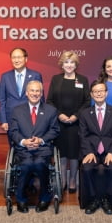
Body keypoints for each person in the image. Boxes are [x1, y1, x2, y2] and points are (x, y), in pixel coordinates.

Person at [9, 80, 59, 213]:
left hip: (42, 149)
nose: (35, 93)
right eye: (32, 90)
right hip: (23, 149)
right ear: (26, 93)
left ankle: (44, 198)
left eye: (38, 91)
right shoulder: (17, 111)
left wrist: (41, 140)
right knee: (25, 165)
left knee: (39, 164)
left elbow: (54, 130)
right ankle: (21, 199)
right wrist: (24, 141)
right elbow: (13, 131)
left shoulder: (51, 110)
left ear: (42, 93)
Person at [46, 51, 90, 193]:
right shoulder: (56, 79)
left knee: (74, 153)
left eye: (72, 62)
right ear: (62, 64)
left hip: (76, 123)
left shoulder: (82, 80)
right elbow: (50, 101)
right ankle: (63, 179)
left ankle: (72, 180)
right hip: (60, 122)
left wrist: (76, 115)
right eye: (66, 62)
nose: (69, 65)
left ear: (76, 64)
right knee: (62, 152)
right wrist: (59, 115)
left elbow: (87, 101)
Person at [78, 80, 112, 215]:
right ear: (91, 94)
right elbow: (83, 135)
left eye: (101, 91)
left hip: (109, 150)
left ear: (106, 93)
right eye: (95, 92)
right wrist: (89, 152)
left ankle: (106, 198)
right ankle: (94, 199)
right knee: (86, 168)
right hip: (92, 151)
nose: (98, 94)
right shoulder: (85, 113)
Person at [0, 47, 43, 139]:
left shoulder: (35, 75)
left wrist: (41, 119)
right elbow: (2, 100)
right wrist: (3, 120)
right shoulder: (5, 76)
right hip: (11, 117)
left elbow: (41, 99)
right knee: (13, 145)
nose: (16, 60)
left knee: (31, 143)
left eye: (19, 57)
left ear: (26, 59)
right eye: (14, 57)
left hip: (31, 117)